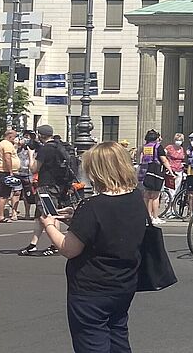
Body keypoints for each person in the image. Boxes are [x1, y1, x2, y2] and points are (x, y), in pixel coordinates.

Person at [38, 141, 147, 352]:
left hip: (92, 289)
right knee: (118, 336)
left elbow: (69, 249)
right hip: (124, 282)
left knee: (92, 342)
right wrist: (76, 218)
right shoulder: (135, 198)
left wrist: (50, 226)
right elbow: (112, 229)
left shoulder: (93, 205)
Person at [22, 125, 74, 257]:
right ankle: (33, 244)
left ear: (41, 135)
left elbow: (34, 169)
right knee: (43, 215)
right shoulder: (59, 146)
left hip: (45, 185)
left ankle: (55, 245)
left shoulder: (46, 149)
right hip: (59, 185)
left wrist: (30, 155)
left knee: (48, 215)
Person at [136, 130, 169, 225]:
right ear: (156, 138)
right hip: (155, 172)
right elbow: (164, 160)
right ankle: (155, 216)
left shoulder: (144, 147)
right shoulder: (158, 147)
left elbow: (140, 159)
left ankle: (147, 216)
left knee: (146, 195)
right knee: (155, 196)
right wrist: (171, 171)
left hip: (144, 171)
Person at [0, 128, 18, 223]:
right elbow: (7, 158)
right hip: (4, 172)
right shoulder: (7, 144)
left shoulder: (3, 143)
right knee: (3, 195)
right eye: (14, 137)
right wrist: (10, 172)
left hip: (2, 171)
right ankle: (0, 216)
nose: (15, 139)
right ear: (10, 136)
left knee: (1, 195)